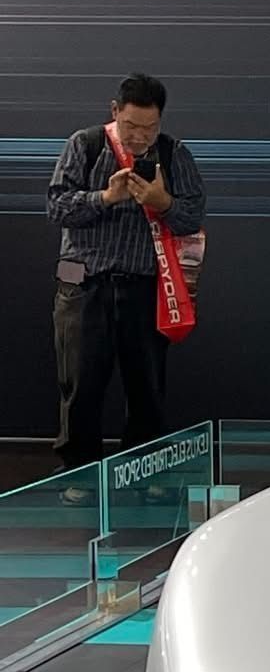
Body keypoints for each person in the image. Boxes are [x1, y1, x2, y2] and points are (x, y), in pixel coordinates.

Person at [46, 72, 207, 470]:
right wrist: (105, 197)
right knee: (80, 387)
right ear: (115, 112)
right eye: (131, 126)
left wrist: (163, 201)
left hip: (145, 288)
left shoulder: (173, 154)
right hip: (82, 286)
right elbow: (57, 208)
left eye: (149, 128)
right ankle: (78, 473)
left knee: (147, 389)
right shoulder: (84, 145)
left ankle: (143, 469)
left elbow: (192, 218)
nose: (139, 137)